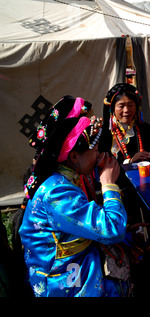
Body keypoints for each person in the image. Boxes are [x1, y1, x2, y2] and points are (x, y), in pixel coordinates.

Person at [19, 99, 129, 297]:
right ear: (73, 157)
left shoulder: (67, 178)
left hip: (76, 259)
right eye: (94, 151)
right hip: (60, 278)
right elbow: (113, 230)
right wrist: (108, 184)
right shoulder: (57, 193)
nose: (98, 156)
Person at [100, 83, 150, 163]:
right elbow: (103, 165)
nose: (126, 110)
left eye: (130, 105)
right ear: (113, 109)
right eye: (121, 106)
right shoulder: (105, 133)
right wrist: (130, 162)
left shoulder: (146, 129)